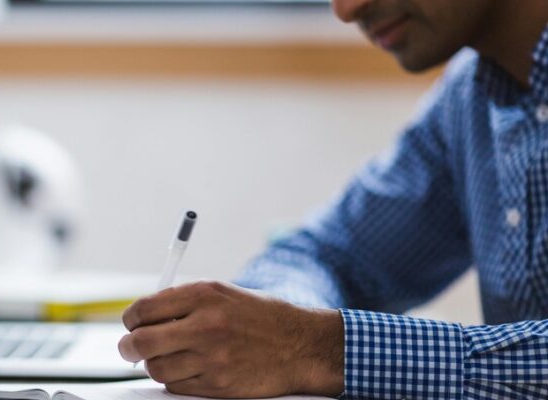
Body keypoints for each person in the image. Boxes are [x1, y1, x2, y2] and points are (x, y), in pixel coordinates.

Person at [117, 1, 548, 398]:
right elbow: (328, 254)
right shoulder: (470, 96)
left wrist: (317, 347)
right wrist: (272, 323)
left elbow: (308, 339)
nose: (346, 9)